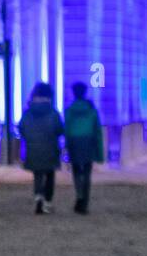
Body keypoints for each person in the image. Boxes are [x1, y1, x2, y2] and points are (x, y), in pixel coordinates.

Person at [18, 81, 64, 214]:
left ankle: (38, 197)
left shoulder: (28, 112)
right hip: (50, 147)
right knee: (50, 175)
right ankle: (48, 202)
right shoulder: (53, 113)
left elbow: (21, 128)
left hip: (33, 147)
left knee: (37, 175)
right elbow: (60, 129)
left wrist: (29, 138)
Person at [64, 81, 104, 214]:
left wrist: (67, 147)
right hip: (88, 142)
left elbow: (67, 129)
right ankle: (84, 202)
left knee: (76, 172)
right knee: (86, 173)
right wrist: (99, 153)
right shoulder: (92, 110)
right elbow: (97, 131)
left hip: (74, 142)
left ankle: (79, 197)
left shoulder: (70, 110)